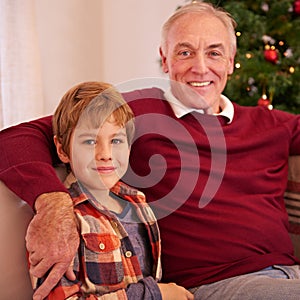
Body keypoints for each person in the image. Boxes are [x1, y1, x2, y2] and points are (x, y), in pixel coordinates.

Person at [1, 1, 300, 299]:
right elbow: (17, 137)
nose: (200, 67)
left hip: (290, 273)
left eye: (214, 53)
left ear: (231, 60)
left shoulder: (273, 124)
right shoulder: (135, 112)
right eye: (185, 52)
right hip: (219, 284)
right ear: (165, 59)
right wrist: (53, 203)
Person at [29, 81, 193, 300]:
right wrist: (155, 294)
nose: (105, 154)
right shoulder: (60, 223)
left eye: (116, 140)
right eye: (89, 142)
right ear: (62, 149)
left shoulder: (139, 205)